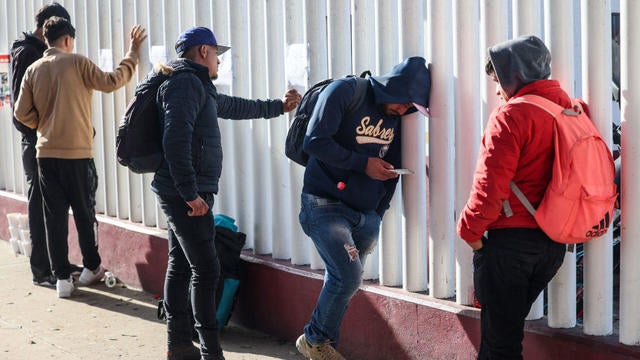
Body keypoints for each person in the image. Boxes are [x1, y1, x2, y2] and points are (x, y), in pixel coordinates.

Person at [151, 26, 301, 360]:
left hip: (183, 189)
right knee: (206, 269)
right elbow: (175, 141)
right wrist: (190, 193)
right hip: (185, 193)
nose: (219, 60)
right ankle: (210, 351)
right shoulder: (186, 84)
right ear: (203, 51)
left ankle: (179, 346)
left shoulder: (194, 84)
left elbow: (232, 106)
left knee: (181, 263)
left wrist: (277, 106)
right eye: (217, 53)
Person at [296, 56, 431, 360]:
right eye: (405, 103)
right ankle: (315, 341)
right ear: (394, 88)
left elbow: (393, 167)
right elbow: (314, 142)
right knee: (348, 276)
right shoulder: (345, 91)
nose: (405, 110)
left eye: (412, 107)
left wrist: (378, 212)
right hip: (324, 203)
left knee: (343, 277)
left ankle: (319, 342)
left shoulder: (397, 116)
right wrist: (363, 164)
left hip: (366, 215)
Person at [13, 17, 147, 298]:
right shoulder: (77, 62)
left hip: (45, 154)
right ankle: (91, 267)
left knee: (55, 217)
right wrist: (133, 53)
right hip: (77, 154)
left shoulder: (33, 70)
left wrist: (43, 126)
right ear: (67, 40)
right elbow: (112, 82)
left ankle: (62, 278)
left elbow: (20, 112)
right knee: (84, 213)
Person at [456, 35, 568, 359]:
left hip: (512, 247)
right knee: (505, 337)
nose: (496, 90)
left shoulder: (511, 116)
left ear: (514, 76)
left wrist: (469, 232)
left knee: (500, 345)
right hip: (554, 245)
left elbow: (489, 187)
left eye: (499, 80)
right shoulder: (569, 111)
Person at [9, 2, 78, 287]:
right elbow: (20, 110)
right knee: (39, 205)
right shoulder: (28, 54)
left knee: (56, 205)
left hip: (52, 142)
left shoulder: (40, 53)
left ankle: (57, 262)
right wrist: (43, 131)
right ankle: (42, 271)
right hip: (37, 143)